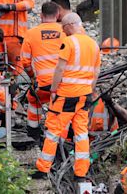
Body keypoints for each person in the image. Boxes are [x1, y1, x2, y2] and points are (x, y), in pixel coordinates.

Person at [35, 13, 101, 181]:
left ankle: (43, 169)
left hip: (66, 96)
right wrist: (89, 91)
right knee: (81, 134)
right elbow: (96, 72)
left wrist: (54, 90)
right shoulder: (93, 44)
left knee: (53, 131)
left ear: (69, 25)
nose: (63, 32)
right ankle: (81, 173)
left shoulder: (69, 42)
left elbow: (60, 69)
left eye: (63, 29)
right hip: (84, 95)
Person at [20, 2, 65, 140]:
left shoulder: (31, 33)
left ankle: (33, 131)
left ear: (41, 16)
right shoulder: (65, 31)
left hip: (44, 84)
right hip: (64, 84)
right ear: (58, 15)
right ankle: (63, 134)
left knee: (33, 99)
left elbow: (25, 62)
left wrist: (33, 77)